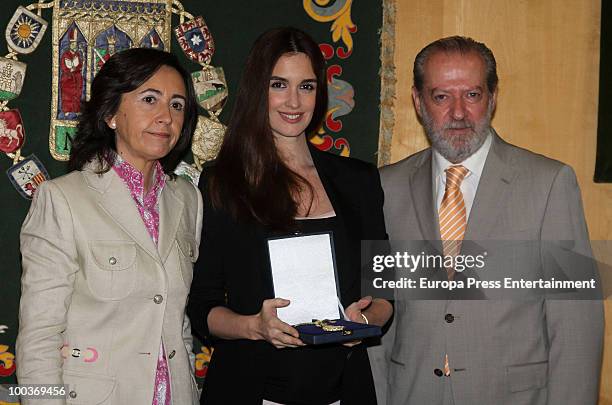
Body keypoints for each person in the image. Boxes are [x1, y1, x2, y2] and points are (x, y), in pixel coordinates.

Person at [372, 36, 604, 405]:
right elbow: (378, 316)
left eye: (472, 95)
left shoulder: (548, 183)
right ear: (418, 101)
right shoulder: (385, 187)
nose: (459, 112)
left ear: (493, 97)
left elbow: (577, 325)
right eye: (442, 96)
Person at [187, 27, 392, 405]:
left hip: (344, 389)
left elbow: (382, 290)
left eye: (307, 86)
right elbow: (203, 307)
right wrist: (254, 327)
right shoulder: (223, 181)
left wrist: (363, 322)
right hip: (250, 389)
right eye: (279, 84)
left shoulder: (359, 181)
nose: (294, 101)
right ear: (257, 90)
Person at [16, 48, 202, 404]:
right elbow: (38, 338)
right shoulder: (62, 199)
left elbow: (177, 322)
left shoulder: (188, 200)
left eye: (177, 105)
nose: (166, 116)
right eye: (150, 99)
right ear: (112, 112)